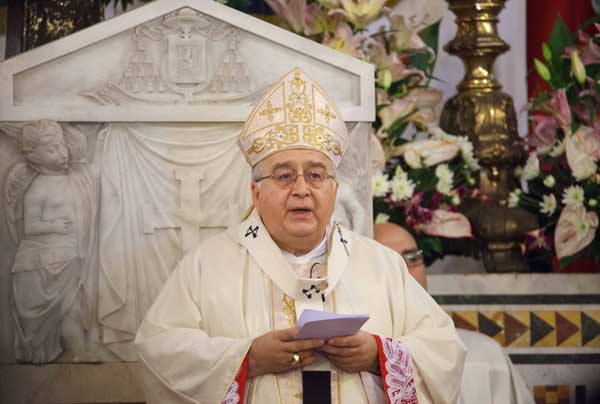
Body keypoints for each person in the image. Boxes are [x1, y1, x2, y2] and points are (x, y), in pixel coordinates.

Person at [135, 68, 466, 404]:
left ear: (334, 190)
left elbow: (444, 349)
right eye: (284, 176)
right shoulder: (208, 265)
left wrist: (377, 354)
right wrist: (248, 358)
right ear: (255, 192)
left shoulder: (381, 264)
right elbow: (160, 348)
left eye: (315, 175)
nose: (301, 190)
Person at [374, 222, 535, 404]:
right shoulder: (359, 363)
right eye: (390, 262)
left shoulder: (486, 355)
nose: (406, 273)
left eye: (412, 258)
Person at [9, 120, 98, 364]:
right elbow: (29, 227)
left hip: (69, 259)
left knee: (71, 308)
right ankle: (38, 353)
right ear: (34, 156)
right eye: (51, 149)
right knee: (53, 314)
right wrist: (53, 226)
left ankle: (80, 352)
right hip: (41, 264)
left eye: (61, 146)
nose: (61, 153)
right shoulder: (37, 189)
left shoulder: (76, 178)